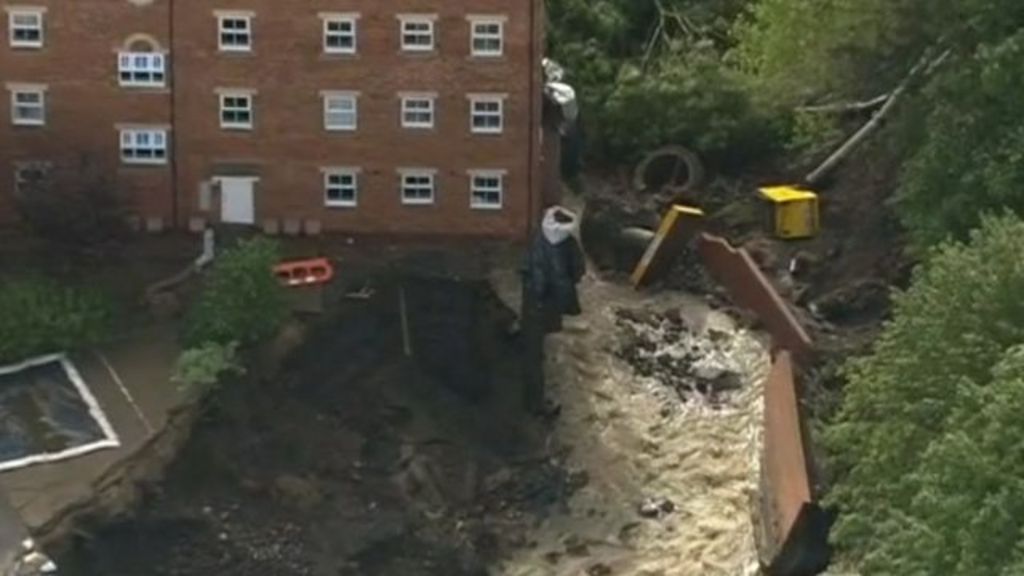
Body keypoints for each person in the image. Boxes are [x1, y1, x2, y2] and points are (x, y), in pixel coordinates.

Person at [520, 206, 585, 415]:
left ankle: (533, 400)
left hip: (533, 300)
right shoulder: (568, 244)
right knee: (540, 346)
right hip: (554, 301)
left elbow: (523, 267)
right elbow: (578, 270)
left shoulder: (536, 238)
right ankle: (536, 404)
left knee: (532, 351)